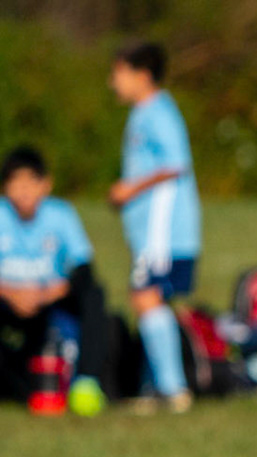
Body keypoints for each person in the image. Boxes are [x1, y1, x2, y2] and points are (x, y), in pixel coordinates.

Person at [108, 41, 199, 414]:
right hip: (148, 231)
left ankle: (172, 389)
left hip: (164, 232)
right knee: (151, 299)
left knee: (145, 297)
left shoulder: (158, 111)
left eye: (117, 74)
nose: (112, 83)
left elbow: (176, 163)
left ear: (142, 75)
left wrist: (130, 188)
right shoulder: (142, 113)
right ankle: (155, 384)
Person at [0, 147, 110, 416]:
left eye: (30, 182)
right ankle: (17, 386)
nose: (23, 191)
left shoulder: (61, 214)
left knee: (95, 294)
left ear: (45, 185)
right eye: (15, 183)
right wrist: (11, 293)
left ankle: (86, 382)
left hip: (49, 300)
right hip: (7, 300)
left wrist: (50, 292)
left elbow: (83, 268)